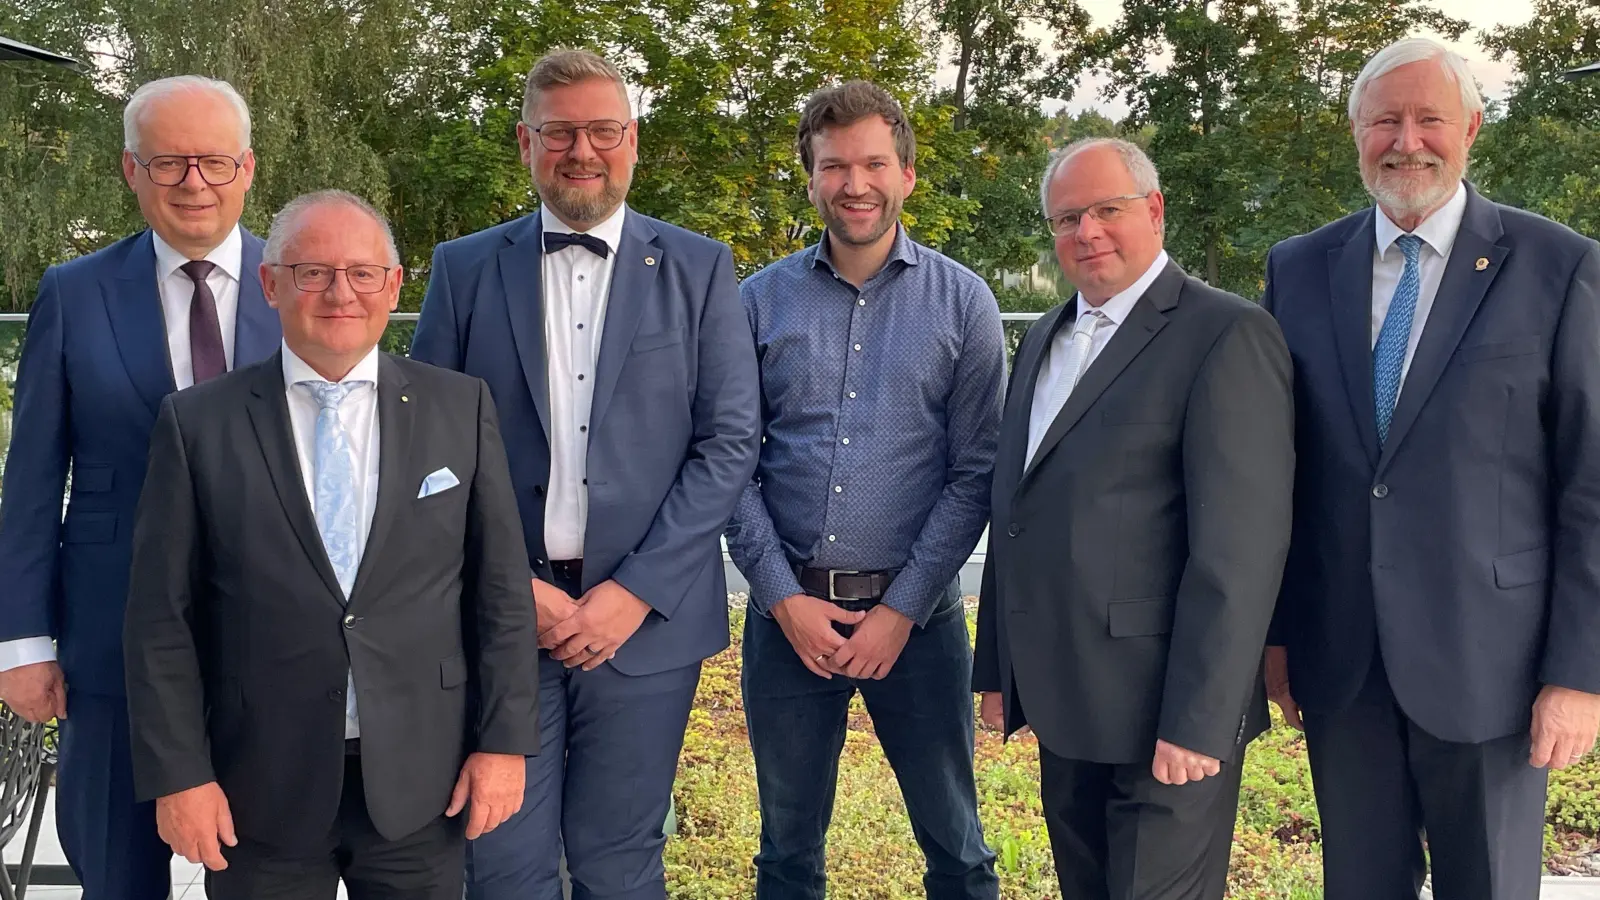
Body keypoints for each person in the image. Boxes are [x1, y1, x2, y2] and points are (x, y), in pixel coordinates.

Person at [409, 48, 760, 899]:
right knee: (501, 863)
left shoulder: (700, 266)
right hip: (501, 624)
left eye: (603, 130)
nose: (582, 151)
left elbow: (728, 441)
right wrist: (510, 589)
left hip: (646, 628)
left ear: (632, 140)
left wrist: (631, 592)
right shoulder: (463, 269)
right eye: (559, 132)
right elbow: (425, 445)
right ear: (525, 142)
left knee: (619, 860)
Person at [121, 190, 540, 898]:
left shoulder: (460, 408)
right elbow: (161, 619)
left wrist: (503, 743)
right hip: (259, 786)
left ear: (394, 285)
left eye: (362, 272)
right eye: (312, 272)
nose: (340, 292)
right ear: (270, 283)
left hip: (422, 783)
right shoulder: (198, 424)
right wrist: (180, 775)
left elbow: (498, 592)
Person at [1261, 37, 1600, 900]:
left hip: (1496, 668)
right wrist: (1276, 636)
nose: (1406, 139)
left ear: (1472, 130)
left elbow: (1591, 485)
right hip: (1343, 661)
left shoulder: (1559, 267)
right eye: (1384, 120)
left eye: (1429, 119)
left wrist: (1580, 674)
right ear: (1356, 135)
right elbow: (1272, 471)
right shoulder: (1297, 269)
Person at [972, 138, 1294, 900]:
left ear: (1153, 210)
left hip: (1164, 714)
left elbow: (1241, 550)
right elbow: (1015, 510)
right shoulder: (1046, 334)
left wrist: (1200, 719)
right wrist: (998, 670)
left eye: (1107, 210)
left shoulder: (1225, 334)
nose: (1087, 232)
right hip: (1064, 702)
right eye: (1067, 218)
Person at [0, 75, 281, 899]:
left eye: (214, 161)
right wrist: (23, 643)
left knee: (263, 873)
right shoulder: (74, 292)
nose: (194, 181)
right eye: (168, 162)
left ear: (248, 169)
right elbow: (32, 480)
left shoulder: (300, 283)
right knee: (116, 875)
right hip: (109, 642)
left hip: (272, 649)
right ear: (132, 171)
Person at [724, 80, 1004, 900]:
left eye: (874, 163)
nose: (855, 183)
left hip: (919, 626)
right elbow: (730, 462)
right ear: (809, 178)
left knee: (958, 847)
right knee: (785, 853)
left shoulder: (964, 302)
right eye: (834, 165)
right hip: (789, 625)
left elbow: (975, 473)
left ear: (907, 174)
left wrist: (900, 610)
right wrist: (780, 597)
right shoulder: (757, 301)